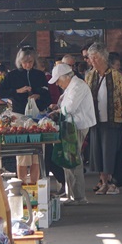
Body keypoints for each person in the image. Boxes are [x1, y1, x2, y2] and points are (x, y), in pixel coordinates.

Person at [84, 43, 122, 195]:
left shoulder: (116, 75)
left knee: (110, 152)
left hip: (112, 120)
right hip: (95, 121)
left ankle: (112, 183)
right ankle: (103, 182)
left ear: (104, 58)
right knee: (97, 153)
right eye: (91, 58)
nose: (93, 61)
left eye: (96, 57)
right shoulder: (90, 75)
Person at [0, 46, 51, 183]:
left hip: (37, 116)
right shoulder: (12, 75)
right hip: (18, 115)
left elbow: (48, 96)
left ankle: (34, 184)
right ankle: (21, 184)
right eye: (24, 62)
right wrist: (17, 91)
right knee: (22, 154)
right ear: (19, 61)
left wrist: (38, 96)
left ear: (34, 62)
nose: (27, 65)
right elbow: (0, 91)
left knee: (36, 154)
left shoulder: (39, 75)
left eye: (30, 62)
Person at [49, 63, 97, 206]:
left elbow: (69, 107)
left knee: (73, 160)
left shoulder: (78, 86)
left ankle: (78, 197)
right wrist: (58, 107)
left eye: (58, 80)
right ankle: (73, 195)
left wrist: (58, 109)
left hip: (77, 125)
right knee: (69, 160)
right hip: (72, 125)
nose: (57, 84)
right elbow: (64, 104)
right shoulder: (72, 86)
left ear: (66, 77)